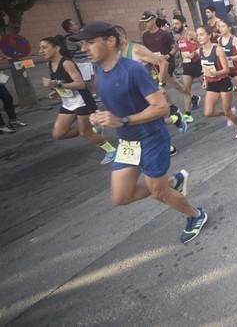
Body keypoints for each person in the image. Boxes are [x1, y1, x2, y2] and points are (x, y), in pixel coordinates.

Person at [73, 21, 208, 244]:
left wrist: (123, 120)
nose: (84, 48)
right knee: (120, 196)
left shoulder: (133, 70)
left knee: (158, 193)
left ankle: (196, 215)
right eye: (83, 44)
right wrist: (100, 116)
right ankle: (173, 182)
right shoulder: (100, 71)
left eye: (90, 42)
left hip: (151, 139)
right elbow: (118, 104)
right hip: (128, 142)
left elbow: (161, 108)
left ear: (110, 41)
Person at [39, 35, 116, 164]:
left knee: (84, 132)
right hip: (68, 102)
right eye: (40, 48)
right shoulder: (50, 63)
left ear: (56, 48)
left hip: (82, 101)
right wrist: (55, 92)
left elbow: (80, 84)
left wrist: (55, 85)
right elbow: (61, 82)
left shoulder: (67, 63)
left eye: (44, 47)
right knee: (58, 134)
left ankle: (111, 150)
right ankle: (92, 129)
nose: (41, 51)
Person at [113, 25, 187, 158]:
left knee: (151, 119)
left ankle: (166, 146)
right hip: (134, 94)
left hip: (148, 90)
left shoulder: (137, 50)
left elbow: (162, 63)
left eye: (112, 39)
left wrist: (161, 84)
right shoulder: (116, 55)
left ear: (122, 38)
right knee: (147, 121)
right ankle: (175, 118)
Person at [196, 25, 237, 139]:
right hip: (212, 83)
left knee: (227, 110)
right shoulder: (200, 51)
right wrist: (205, 79)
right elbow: (205, 68)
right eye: (197, 35)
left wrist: (215, 73)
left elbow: (226, 70)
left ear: (209, 35)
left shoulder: (217, 49)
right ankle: (228, 113)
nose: (199, 37)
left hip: (223, 82)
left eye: (201, 34)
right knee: (208, 112)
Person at [139, 11, 184, 95]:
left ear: (153, 20)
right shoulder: (144, 36)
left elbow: (175, 47)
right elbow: (146, 51)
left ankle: (183, 100)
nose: (145, 24)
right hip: (154, 66)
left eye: (147, 21)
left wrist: (168, 55)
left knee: (162, 86)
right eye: (143, 22)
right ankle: (187, 99)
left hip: (166, 63)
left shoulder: (164, 34)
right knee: (164, 87)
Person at [216, 19, 237, 119]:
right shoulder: (219, 40)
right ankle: (230, 110)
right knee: (224, 92)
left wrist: (229, 58)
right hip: (226, 69)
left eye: (223, 26)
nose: (220, 29)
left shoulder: (233, 39)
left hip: (236, 68)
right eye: (219, 26)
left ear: (229, 28)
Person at [172, 15, 201, 123]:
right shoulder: (177, 37)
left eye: (177, 23)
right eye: (173, 24)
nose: (174, 26)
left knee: (209, 86)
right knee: (186, 90)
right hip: (186, 65)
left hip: (197, 64)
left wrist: (194, 53)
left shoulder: (190, 34)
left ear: (183, 23)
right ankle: (188, 114)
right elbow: (179, 49)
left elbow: (202, 44)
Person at [61, 18, 97, 97]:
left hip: (88, 60)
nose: (77, 24)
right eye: (75, 24)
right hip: (81, 62)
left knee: (92, 78)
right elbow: (83, 45)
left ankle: (94, 94)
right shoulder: (70, 39)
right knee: (87, 80)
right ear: (70, 28)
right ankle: (91, 95)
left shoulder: (80, 35)